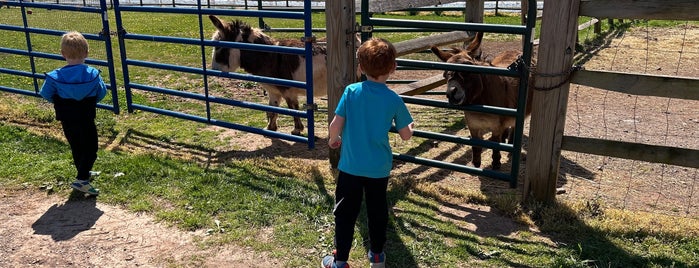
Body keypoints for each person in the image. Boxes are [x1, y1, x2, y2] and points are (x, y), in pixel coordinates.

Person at [322, 38, 414, 268]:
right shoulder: (393, 99)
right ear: (393, 68)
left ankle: (340, 260)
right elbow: (405, 135)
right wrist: (411, 125)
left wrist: (334, 140)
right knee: (377, 212)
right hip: (378, 168)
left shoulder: (351, 92)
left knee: (345, 213)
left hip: (350, 167)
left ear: (360, 68)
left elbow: (335, 124)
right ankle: (376, 257)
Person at [40, 31, 107, 196]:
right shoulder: (92, 74)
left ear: (63, 54)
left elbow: (45, 93)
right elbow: (102, 92)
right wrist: (90, 99)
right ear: (86, 52)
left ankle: (84, 172)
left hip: (67, 117)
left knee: (76, 145)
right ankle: (82, 179)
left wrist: (60, 101)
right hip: (86, 115)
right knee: (91, 147)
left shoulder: (56, 76)